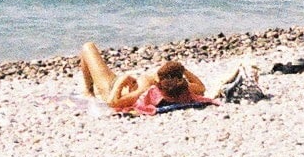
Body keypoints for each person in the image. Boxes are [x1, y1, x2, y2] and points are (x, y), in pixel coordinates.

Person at [75, 42, 209, 113]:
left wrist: (121, 81)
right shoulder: (182, 88)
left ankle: (89, 91)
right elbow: (201, 87)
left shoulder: (146, 90)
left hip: (111, 87)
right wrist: (182, 69)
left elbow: (112, 103)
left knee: (88, 47)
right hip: (124, 85)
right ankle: (90, 90)